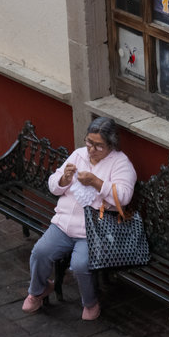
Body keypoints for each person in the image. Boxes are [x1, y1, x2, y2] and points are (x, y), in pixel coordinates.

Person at [22, 117, 137, 320]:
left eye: (98, 146)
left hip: (94, 231)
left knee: (81, 265)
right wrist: (64, 178)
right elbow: (53, 185)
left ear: (111, 144)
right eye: (89, 142)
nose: (91, 150)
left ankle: (90, 303)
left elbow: (124, 196)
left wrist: (96, 182)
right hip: (64, 224)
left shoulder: (121, 164)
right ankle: (38, 291)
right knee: (40, 252)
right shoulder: (78, 155)